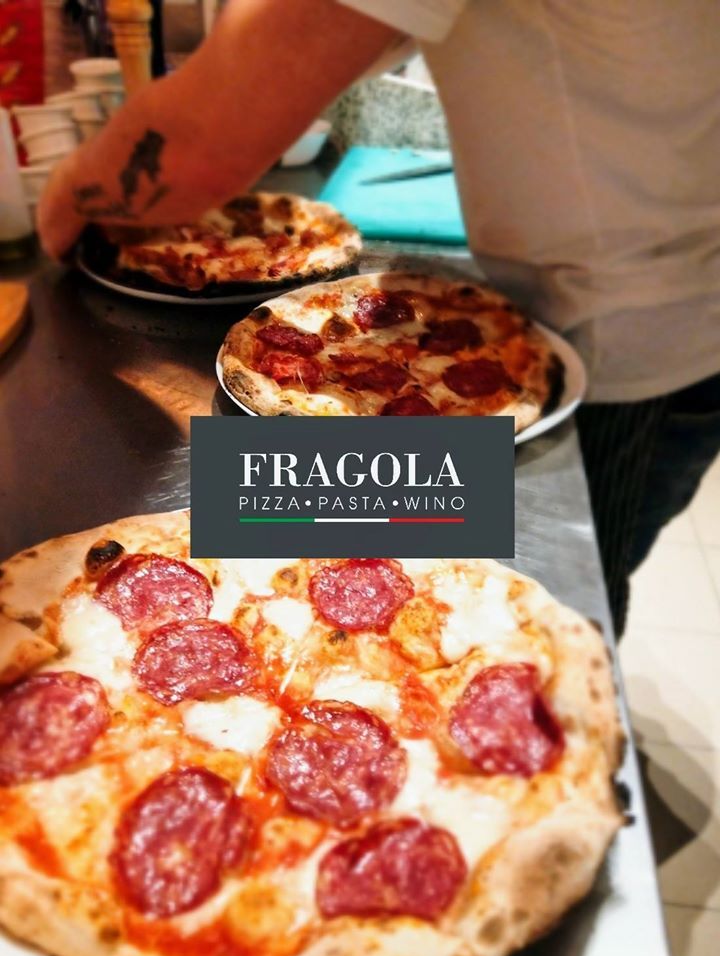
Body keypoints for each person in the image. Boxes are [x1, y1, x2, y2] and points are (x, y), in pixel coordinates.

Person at [38, 0, 720, 636]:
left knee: (559, 621)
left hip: (633, 324)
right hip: (640, 284)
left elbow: (199, 141)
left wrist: (64, 193)